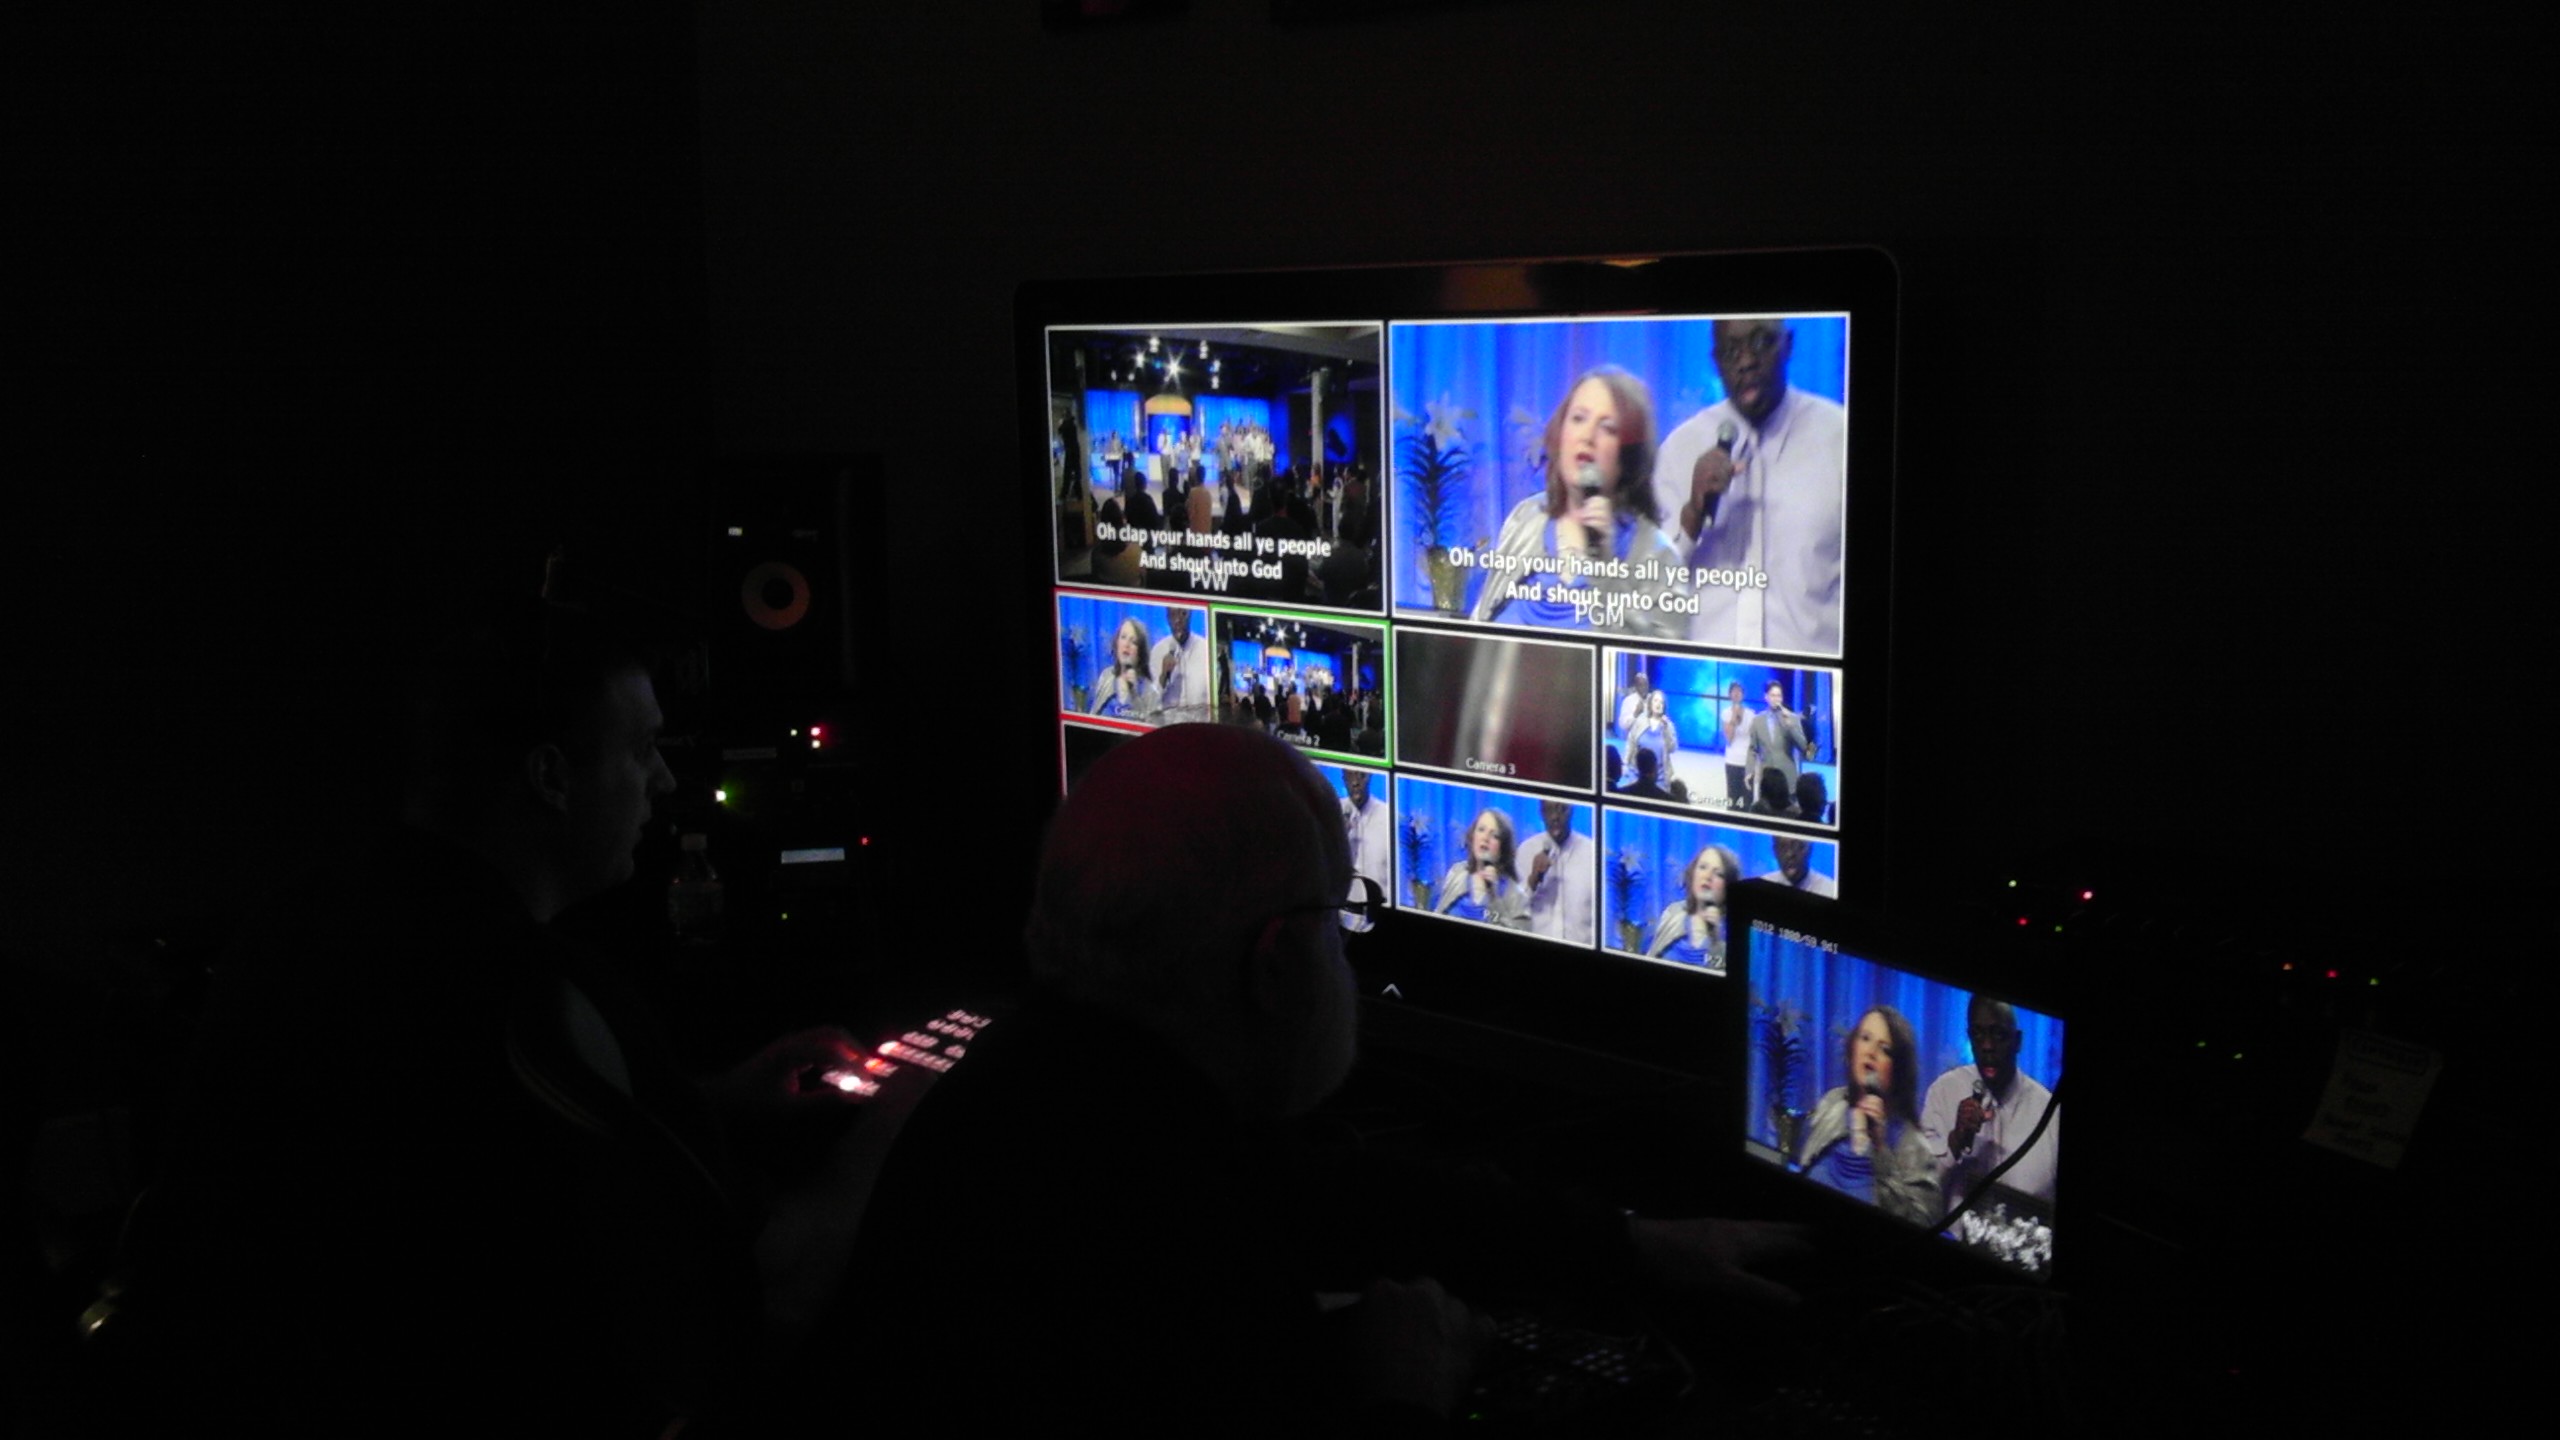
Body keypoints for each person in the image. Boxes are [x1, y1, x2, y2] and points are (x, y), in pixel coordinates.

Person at [820, 725, 1805, 1430]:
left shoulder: (1063, 1092)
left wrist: (1624, 1243)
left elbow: (1322, 1192)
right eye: (1340, 915)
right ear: (1276, 963)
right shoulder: (1160, 1261)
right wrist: (1403, 1390)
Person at [126, 589, 864, 1437]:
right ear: (550, 776)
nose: (663, 781)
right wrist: (898, 1117)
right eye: (642, 749)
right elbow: (766, 1292)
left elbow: (472, 1136)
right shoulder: (524, 991)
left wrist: (713, 1096)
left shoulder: (309, 920)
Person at [1651, 317, 1848, 654]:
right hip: (1699, 673)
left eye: (1759, 342)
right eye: (1731, 351)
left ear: (1787, 345)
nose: (1745, 362)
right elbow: (1646, 589)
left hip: (1816, 674)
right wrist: (1693, 514)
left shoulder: (1839, 438)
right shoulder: (1680, 449)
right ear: (1716, 362)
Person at [1469, 365, 1686, 638]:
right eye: (1578, 418)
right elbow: (1478, 628)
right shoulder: (1526, 519)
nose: (1587, 436)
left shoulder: (1657, 554)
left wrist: (1604, 565)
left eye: (1608, 428)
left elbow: (1654, 656)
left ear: (1628, 455)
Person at [1794, 1006, 1940, 1225]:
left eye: (1885, 1049)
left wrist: (1880, 1149)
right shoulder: (1832, 1103)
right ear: (1852, 1047)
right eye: (1865, 1038)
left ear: (1899, 1068)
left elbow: (1920, 1223)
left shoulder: (1915, 1146)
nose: (1871, 1052)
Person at [1921, 997, 2059, 1217]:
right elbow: (1920, 1190)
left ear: (2018, 1041)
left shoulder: (2050, 1113)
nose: (1987, 1046)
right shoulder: (1943, 1092)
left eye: (1998, 1035)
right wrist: (1955, 1142)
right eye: (1978, 1034)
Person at [1514, 799, 1595, 945]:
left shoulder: (1592, 853)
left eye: (1561, 809)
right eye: (1548, 810)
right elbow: (1513, 910)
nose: (1555, 817)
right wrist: (1532, 880)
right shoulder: (1525, 851)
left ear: (1572, 810)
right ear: (1540, 813)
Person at [1434, 807, 1531, 929]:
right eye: (1481, 830)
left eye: (1494, 835)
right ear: (1472, 836)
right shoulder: (1457, 873)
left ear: (1503, 847)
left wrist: (1495, 897)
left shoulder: (1516, 896)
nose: (1485, 838)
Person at [1647, 844, 1738, 970]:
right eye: (1702, 867)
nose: (1707, 876)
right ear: (1692, 873)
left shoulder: (1735, 931)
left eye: (1718, 874)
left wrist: (1718, 937)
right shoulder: (1673, 914)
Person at [1748, 679, 1811, 798]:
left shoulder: (1792, 718)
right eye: (1773, 695)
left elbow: (1804, 747)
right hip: (1766, 780)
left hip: (1788, 780)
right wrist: (1749, 771)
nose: (1776, 699)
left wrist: (1790, 726)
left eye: (1779, 696)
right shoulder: (1757, 720)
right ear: (1766, 697)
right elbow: (1752, 750)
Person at [1090, 615, 1160, 720]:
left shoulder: (1150, 692)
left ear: (1140, 651)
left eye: (1133, 642)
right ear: (1117, 643)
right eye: (1123, 637)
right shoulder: (1106, 677)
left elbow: (1152, 726)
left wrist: (1134, 694)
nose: (1126, 644)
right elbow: (1092, 718)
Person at [1342, 769, 1393, 906]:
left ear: (1370, 776)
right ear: (1343, 778)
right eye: (1349, 775)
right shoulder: (1334, 811)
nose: (1355, 782)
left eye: (1361, 775)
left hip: (1380, 908)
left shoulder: (1388, 816)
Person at [1149, 606, 1212, 717]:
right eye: (1172, 615)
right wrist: (1163, 676)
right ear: (1167, 618)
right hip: (1169, 725)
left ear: (1190, 614)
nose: (1177, 620)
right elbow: (1150, 703)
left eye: (1183, 614)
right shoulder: (1157, 651)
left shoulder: (1206, 649)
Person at [1629, 690, 1679, 796]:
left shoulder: (1668, 726)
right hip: (1637, 776)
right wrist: (1626, 764)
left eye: (1661, 702)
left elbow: (1672, 748)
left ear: (1664, 706)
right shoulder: (1641, 721)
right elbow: (1631, 743)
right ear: (1650, 703)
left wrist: (1666, 729)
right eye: (1655, 701)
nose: (1658, 704)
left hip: (1659, 779)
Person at [1758, 835, 1836, 896]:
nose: (1790, 854)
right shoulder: (1762, 884)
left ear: (1809, 850)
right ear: (1775, 852)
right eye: (1783, 847)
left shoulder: (1830, 890)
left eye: (1797, 846)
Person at [1721, 680, 1752, 808]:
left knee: (1747, 800)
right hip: (1732, 761)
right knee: (1733, 800)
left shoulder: (1751, 714)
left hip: (1747, 763)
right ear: (1729, 695)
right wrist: (1734, 717)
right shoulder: (1726, 713)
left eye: (1739, 691)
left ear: (1743, 694)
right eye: (1734, 691)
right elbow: (1729, 738)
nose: (1736, 693)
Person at [1617, 671, 1655, 765]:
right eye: (1641, 685)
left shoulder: (1654, 700)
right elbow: (1623, 725)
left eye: (1646, 684)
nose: (1644, 687)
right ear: (1636, 686)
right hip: (1635, 748)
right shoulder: (1628, 701)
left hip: (1652, 747)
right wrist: (1635, 714)